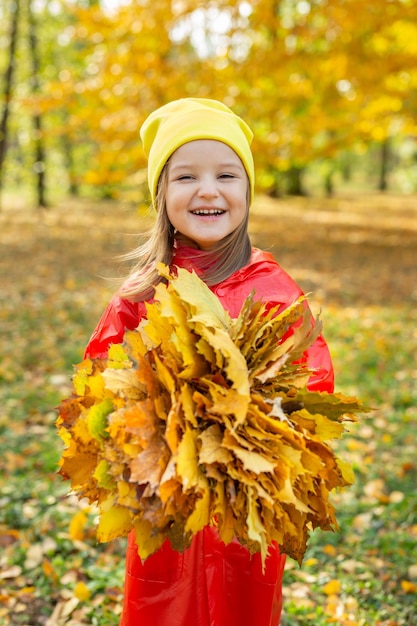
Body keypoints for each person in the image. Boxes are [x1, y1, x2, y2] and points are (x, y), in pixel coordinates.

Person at [84, 98, 334, 626]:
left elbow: (312, 384)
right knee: (160, 605)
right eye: (185, 176)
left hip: (245, 509)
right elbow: (101, 382)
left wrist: (271, 421)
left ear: (246, 191)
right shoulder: (141, 296)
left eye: (226, 174)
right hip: (166, 502)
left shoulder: (274, 291)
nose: (207, 190)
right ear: (161, 193)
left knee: (241, 606)